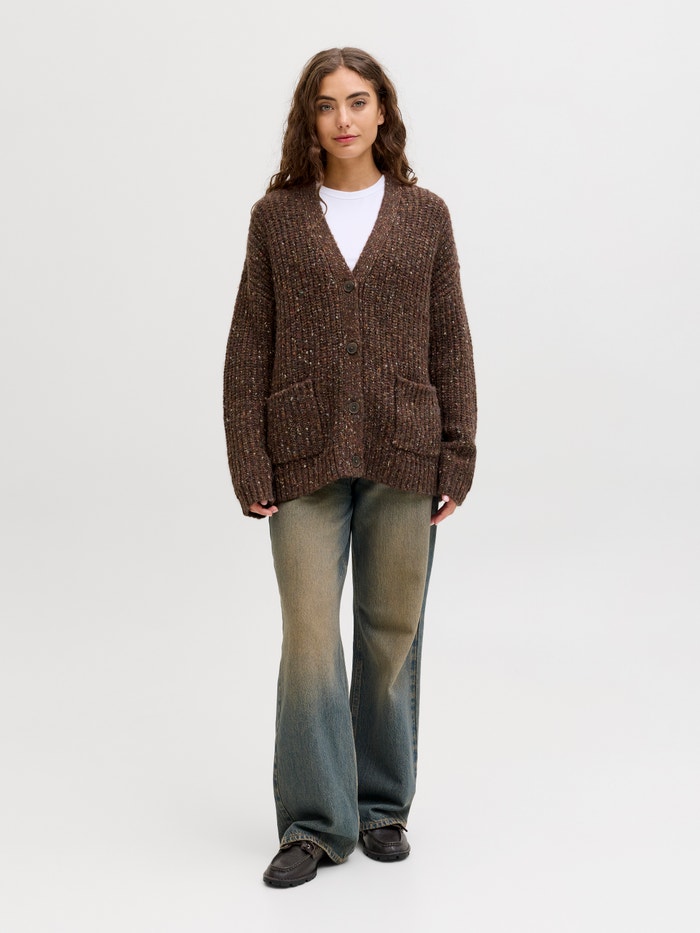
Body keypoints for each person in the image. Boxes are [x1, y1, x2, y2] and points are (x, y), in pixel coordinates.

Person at [223, 47, 477, 888]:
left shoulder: (425, 215)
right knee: (309, 636)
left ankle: (380, 807)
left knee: (392, 632)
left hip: (406, 449)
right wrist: (249, 458)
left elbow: (450, 334)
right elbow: (249, 341)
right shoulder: (277, 217)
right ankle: (313, 821)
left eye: (358, 101)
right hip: (302, 454)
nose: (343, 118)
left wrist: (458, 452)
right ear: (309, 118)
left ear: (382, 112)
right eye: (327, 104)